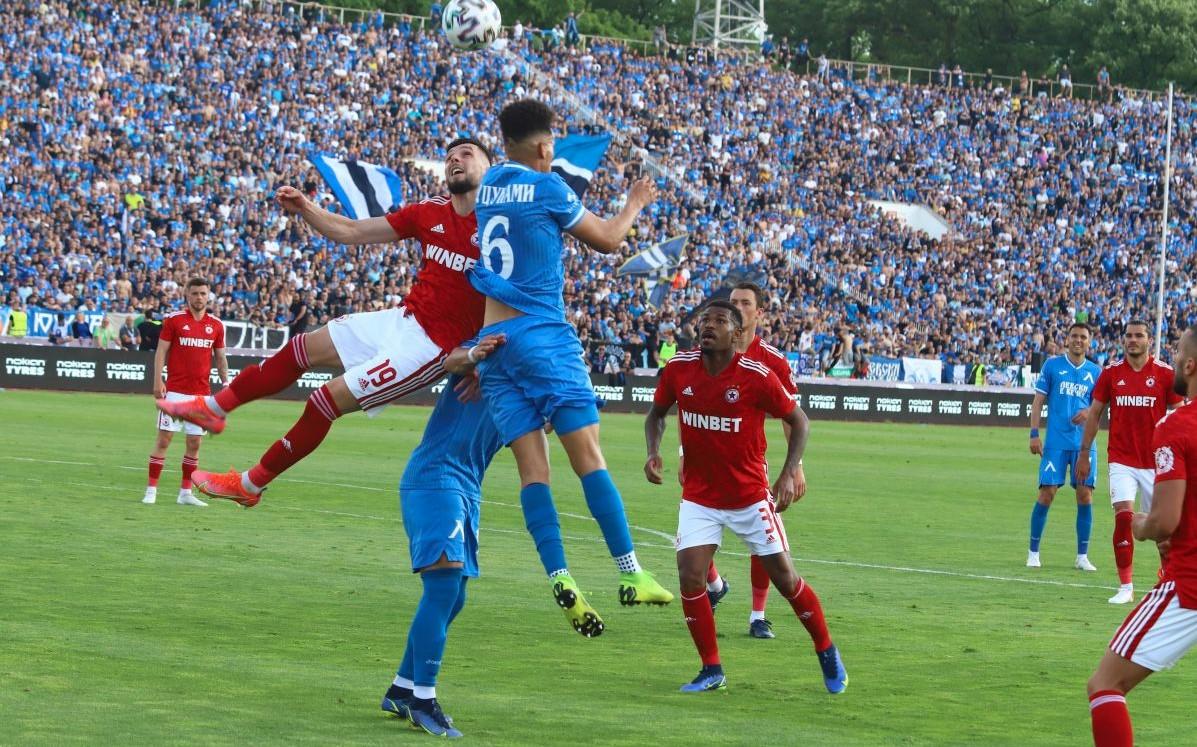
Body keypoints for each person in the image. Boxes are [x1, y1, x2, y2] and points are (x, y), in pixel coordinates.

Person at [168, 139, 492, 503]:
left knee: (323, 400)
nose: (455, 161)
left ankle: (250, 485)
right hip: (402, 319)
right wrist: (306, 207)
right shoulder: (430, 211)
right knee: (302, 348)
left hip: (431, 348)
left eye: (466, 155)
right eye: (449, 157)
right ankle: (213, 409)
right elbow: (351, 231)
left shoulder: (501, 228)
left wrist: (486, 362)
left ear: (489, 167)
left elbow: (519, 299)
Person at [467, 98, 673, 608]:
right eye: (552, 144)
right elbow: (606, 239)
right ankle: (630, 574)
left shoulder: (488, 185)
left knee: (532, 472)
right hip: (542, 337)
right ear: (542, 146)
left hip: (491, 345)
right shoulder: (547, 186)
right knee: (589, 457)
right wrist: (634, 202)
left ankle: (560, 577)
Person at [379, 333, 600, 738]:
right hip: (436, 478)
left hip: (466, 487)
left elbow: (549, 422)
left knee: (455, 594)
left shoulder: (523, 392)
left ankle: (403, 687)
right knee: (443, 588)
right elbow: (452, 360)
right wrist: (476, 358)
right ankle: (423, 700)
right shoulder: (494, 347)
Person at [644, 300, 846, 693]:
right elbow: (656, 413)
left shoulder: (756, 376)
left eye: (720, 321)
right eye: (705, 320)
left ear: (736, 334)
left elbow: (798, 420)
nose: (709, 326)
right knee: (690, 576)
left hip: (750, 497)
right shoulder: (679, 369)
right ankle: (711, 668)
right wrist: (654, 450)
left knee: (786, 580)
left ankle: (825, 647)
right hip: (700, 497)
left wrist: (790, 471)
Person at [1085, 324, 1197, 747]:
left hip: (1189, 585)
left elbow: (1164, 521)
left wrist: (1142, 525)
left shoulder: (1175, 426)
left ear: (1188, 365)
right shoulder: (1116, 376)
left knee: (1104, 685)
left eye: (1178, 349)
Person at [698, 282, 804, 639]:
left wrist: (795, 469)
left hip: (749, 469)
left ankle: (757, 616)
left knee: (763, 542)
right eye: (733, 302)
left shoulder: (772, 361)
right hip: (705, 463)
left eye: (745, 303)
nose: (738, 308)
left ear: (759, 313)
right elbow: (689, 403)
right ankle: (714, 585)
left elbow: (793, 416)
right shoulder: (707, 352)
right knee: (694, 540)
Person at [1076, 321, 1182, 604]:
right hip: (1121, 459)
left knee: (1164, 531)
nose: (1132, 340)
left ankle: (1169, 580)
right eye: (1128, 336)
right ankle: (1126, 586)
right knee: (1124, 517)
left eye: (1138, 336)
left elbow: (1180, 416)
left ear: (1149, 340)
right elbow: (1095, 413)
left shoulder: (1165, 374)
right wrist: (1084, 453)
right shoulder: (1111, 374)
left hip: (1157, 463)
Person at [144, 277, 228, 507]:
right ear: (187, 295)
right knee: (164, 439)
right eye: (195, 293)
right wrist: (157, 379)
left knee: (194, 443)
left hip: (201, 395)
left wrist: (226, 384)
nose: (199, 297)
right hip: (175, 392)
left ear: (208, 295)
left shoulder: (216, 325)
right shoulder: (174, 320)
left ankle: (185, 493)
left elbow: (220, 358)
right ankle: (151, 490)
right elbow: (161, 352)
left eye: (203, 293)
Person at [1027, 323, 1102, 570]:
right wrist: (1034, 434)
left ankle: (1082, 556)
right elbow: (1038, 402)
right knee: (1047, 493)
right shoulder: (1052, 366)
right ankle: (1033, 552)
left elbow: (1101, 407)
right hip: (1056, 443)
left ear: (1089, 342)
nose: (1078, 340)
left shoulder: (1096, 371)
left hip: (1084, 444)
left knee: (1085, 494)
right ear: (1067, 339)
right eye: (1074, 336)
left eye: (1083, 337)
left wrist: (1089, 411)